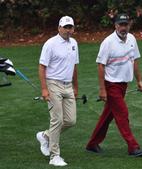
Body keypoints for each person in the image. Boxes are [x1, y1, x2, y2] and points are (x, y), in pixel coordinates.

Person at [86, 14, 142, 157]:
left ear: (129, 25)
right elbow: (100, 66)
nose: (123, 27)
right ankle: (133, 147)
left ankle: (92, 144)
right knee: (122, 114)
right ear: (116, 25)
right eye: (121, 24)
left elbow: (135, 61)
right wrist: (102, 89)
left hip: (124, 84)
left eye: (126, 24)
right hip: (111, 84)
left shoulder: (132, 39)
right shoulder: (108, 42)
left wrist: (139, 80)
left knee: (108, 115)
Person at [36, 16, 79, 167]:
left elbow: (74, 66)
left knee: (71, 120)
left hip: (68, 86)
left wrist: (75, 86)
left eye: (70, 27)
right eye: (65, 27)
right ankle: (54, 156)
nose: (68, 30)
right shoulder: (50, 44)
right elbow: (42, 67)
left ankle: (45, 136)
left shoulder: (74, 43)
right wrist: (44, 89)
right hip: (53, 84)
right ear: (59, 28)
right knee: (57, 120)